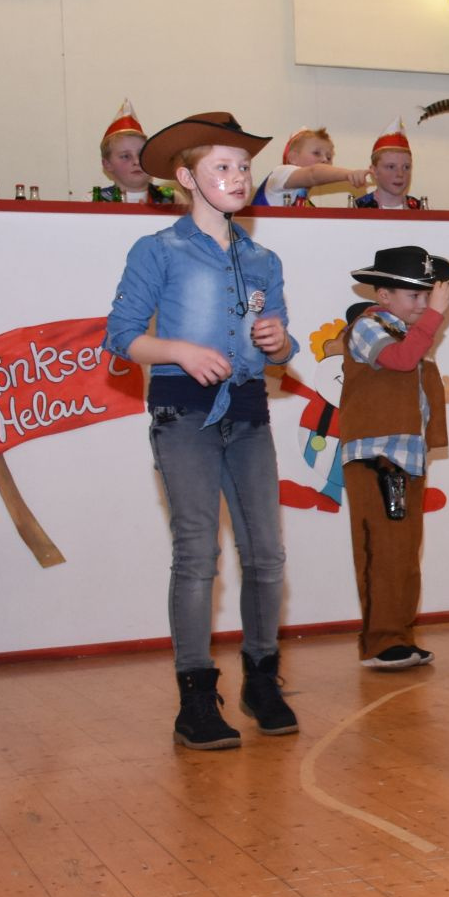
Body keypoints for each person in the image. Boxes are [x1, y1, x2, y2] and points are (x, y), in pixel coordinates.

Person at [104, 112, 300, 749]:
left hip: (248, 413)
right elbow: (120, 336)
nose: (238, 176)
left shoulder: (263, 259)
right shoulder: (158, 249)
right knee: (197, 554)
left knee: (266, 554)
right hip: (182, 414)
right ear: (187, 178)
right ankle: (194, 697)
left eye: (243, 166)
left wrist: (279, 341)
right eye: (222, 167)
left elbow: (282, 345)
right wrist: (179, 351)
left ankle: (261, 679)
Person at [339, 246, 449, 669]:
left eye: (427, 295)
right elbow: (401, 362)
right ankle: (381, 641)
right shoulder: (367, 327)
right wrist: (435, 316)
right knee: (381, 549)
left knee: (404, 552)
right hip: (375, 456)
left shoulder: (410, 331)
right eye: (414, 296)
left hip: (405, 458)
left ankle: (400, 635)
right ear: (383, 295)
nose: (423, 304)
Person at [253, 128, 370, 207]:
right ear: (293, 158)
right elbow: (313, 174)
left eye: (329, 157)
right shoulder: (280, 173)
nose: (324, 160)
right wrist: (348, 174)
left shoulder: (305, 202)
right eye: (316, 153)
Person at [93, 100, 177, 204]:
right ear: (107, 164)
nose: (137, 162)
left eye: (141, 155)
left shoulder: (173, 199)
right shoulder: (95, 200)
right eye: (125, 156)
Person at [353, 117, 425, 209]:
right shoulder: (359, 209)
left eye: (406, 167)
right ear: (374, 171)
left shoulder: (419, 209)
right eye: (391, 167)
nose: (400, 174)